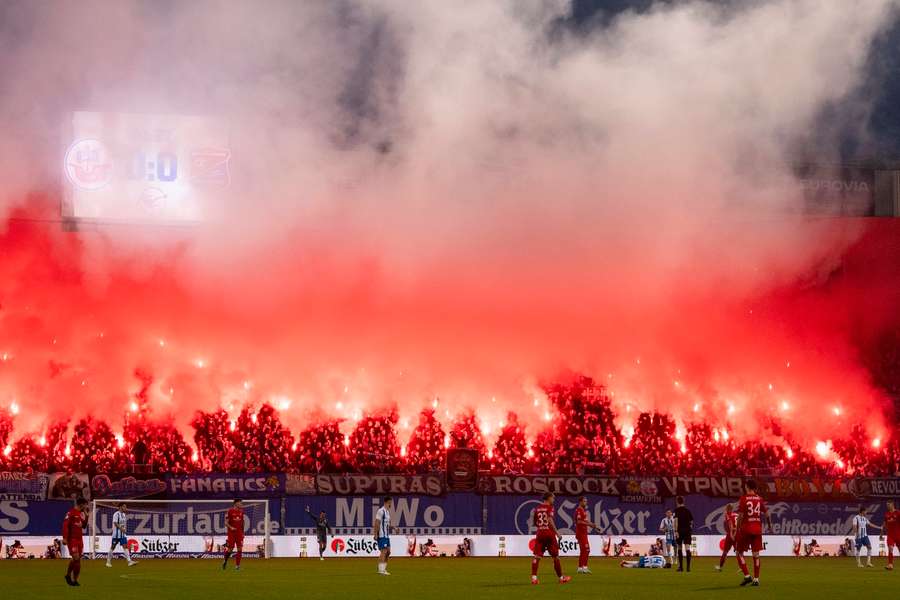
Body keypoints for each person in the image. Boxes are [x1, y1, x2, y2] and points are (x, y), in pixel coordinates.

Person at [735, 479, 772, 587]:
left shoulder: (744, 499)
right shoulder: (759, 499)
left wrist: (738, 528)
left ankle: (747, 576)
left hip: (746, 529)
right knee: (756, 555)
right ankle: (756, 579)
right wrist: (769, 526)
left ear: (747, 487)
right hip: (757, 529)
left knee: (739, 553)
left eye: (745, 486)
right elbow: (767, 514)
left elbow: (741, 516)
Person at [530, 492, 571, 585]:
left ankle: (534, 578)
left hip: (540, 533)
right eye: (553, 498)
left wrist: (541, 527)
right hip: (549, 534)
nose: (554, 499)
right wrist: (557, 533)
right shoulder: (550, 508)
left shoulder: (537, 508)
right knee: (555, 557)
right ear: (548, 498)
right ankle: (561, 578)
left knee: (537, 556)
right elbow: (549, 520)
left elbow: (534, 522)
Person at [62, 497, 89, 587]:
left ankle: (69, 576)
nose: (86, 506)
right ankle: (74, 580)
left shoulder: (81, 514)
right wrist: (65, 538)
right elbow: (65, 525)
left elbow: (84, 526)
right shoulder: (71, 513)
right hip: (72, 539)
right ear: (81, 504)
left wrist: (87, 516)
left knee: (75, 560)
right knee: (77, 559)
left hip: (79, 539)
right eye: (85, 504)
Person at [107, 502, 137, 567]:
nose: (125, 508)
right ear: (120, 507)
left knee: (125, 547)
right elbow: (115, 523)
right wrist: (121, 529)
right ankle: (108, 561)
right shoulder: (116, 514)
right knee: (112, 547)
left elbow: (122, 523)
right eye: (124, 506)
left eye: (126, 507)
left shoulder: (123, 514)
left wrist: (124, 530)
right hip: (116, 535)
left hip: (122, 534)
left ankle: (129, 561)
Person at [575, 496, 600, 574]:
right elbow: (579, 522)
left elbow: (584, 521)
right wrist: (590, 525)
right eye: (584, 501)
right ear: (580, 502)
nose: (586, 502)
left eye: (586, 501)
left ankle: (580, 568)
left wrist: (592, 525)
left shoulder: (583, 510)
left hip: (583, 533)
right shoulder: (579, 510)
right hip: (581, 533)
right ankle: (584, 567)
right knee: (587, 550)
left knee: (583, 551)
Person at [222, 499, 244, 571]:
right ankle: (225, 561)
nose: (241, 504)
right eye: (240, 503)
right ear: (236, 503)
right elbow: (226, 523)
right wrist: (231, 527)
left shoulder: (241, 512)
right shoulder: (230, 511)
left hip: (239, 533)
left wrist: (243, 533)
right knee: (230, 549)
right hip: (231, 533)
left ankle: (237, 566)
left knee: (240, 549)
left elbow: (242, 523)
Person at [673, 496, 693, 572]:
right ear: (683, 501)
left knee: (679, 548)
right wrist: (689, 529)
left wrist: (676, 531)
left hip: (680, 531)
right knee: (687, 548)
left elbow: (675, 521)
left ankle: (681, 567)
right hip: (687, 531)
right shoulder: (688, 511)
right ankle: (688, 568)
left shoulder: (676, 510)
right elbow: (691, 522)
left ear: (677, 502)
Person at [716, 503, 738, 571]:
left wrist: (731, 534)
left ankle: (720, 567)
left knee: (725, 551)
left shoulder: (728, 515)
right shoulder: (737, 515)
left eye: (726, 508)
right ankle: (742, 567)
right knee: (738, 552)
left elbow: (730, 525)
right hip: (737, 534)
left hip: (730, 535)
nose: (725, 510)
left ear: (728, 509)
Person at [374, 497, 393, 575]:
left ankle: (383, 569)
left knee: (388, 552)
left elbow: (388, 524)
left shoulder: (387, 512)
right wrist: (375, 534)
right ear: (387, 502)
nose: (391, 504)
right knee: (384, 551)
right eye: (390, 502)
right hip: (382, 535)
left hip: (387, 535)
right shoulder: (380, 511)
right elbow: (377, 523)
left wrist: (394, 528)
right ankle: (381, 570)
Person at [886, 501, 900, 571]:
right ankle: (890, 564)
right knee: (890, 548)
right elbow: (885, 524)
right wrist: (881, 533)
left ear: (892, 505)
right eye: (887, 505)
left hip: (898, 535)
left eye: (888, 505)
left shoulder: (898, 513)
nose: (887, 506)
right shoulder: (887, 514)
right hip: (890, 535)